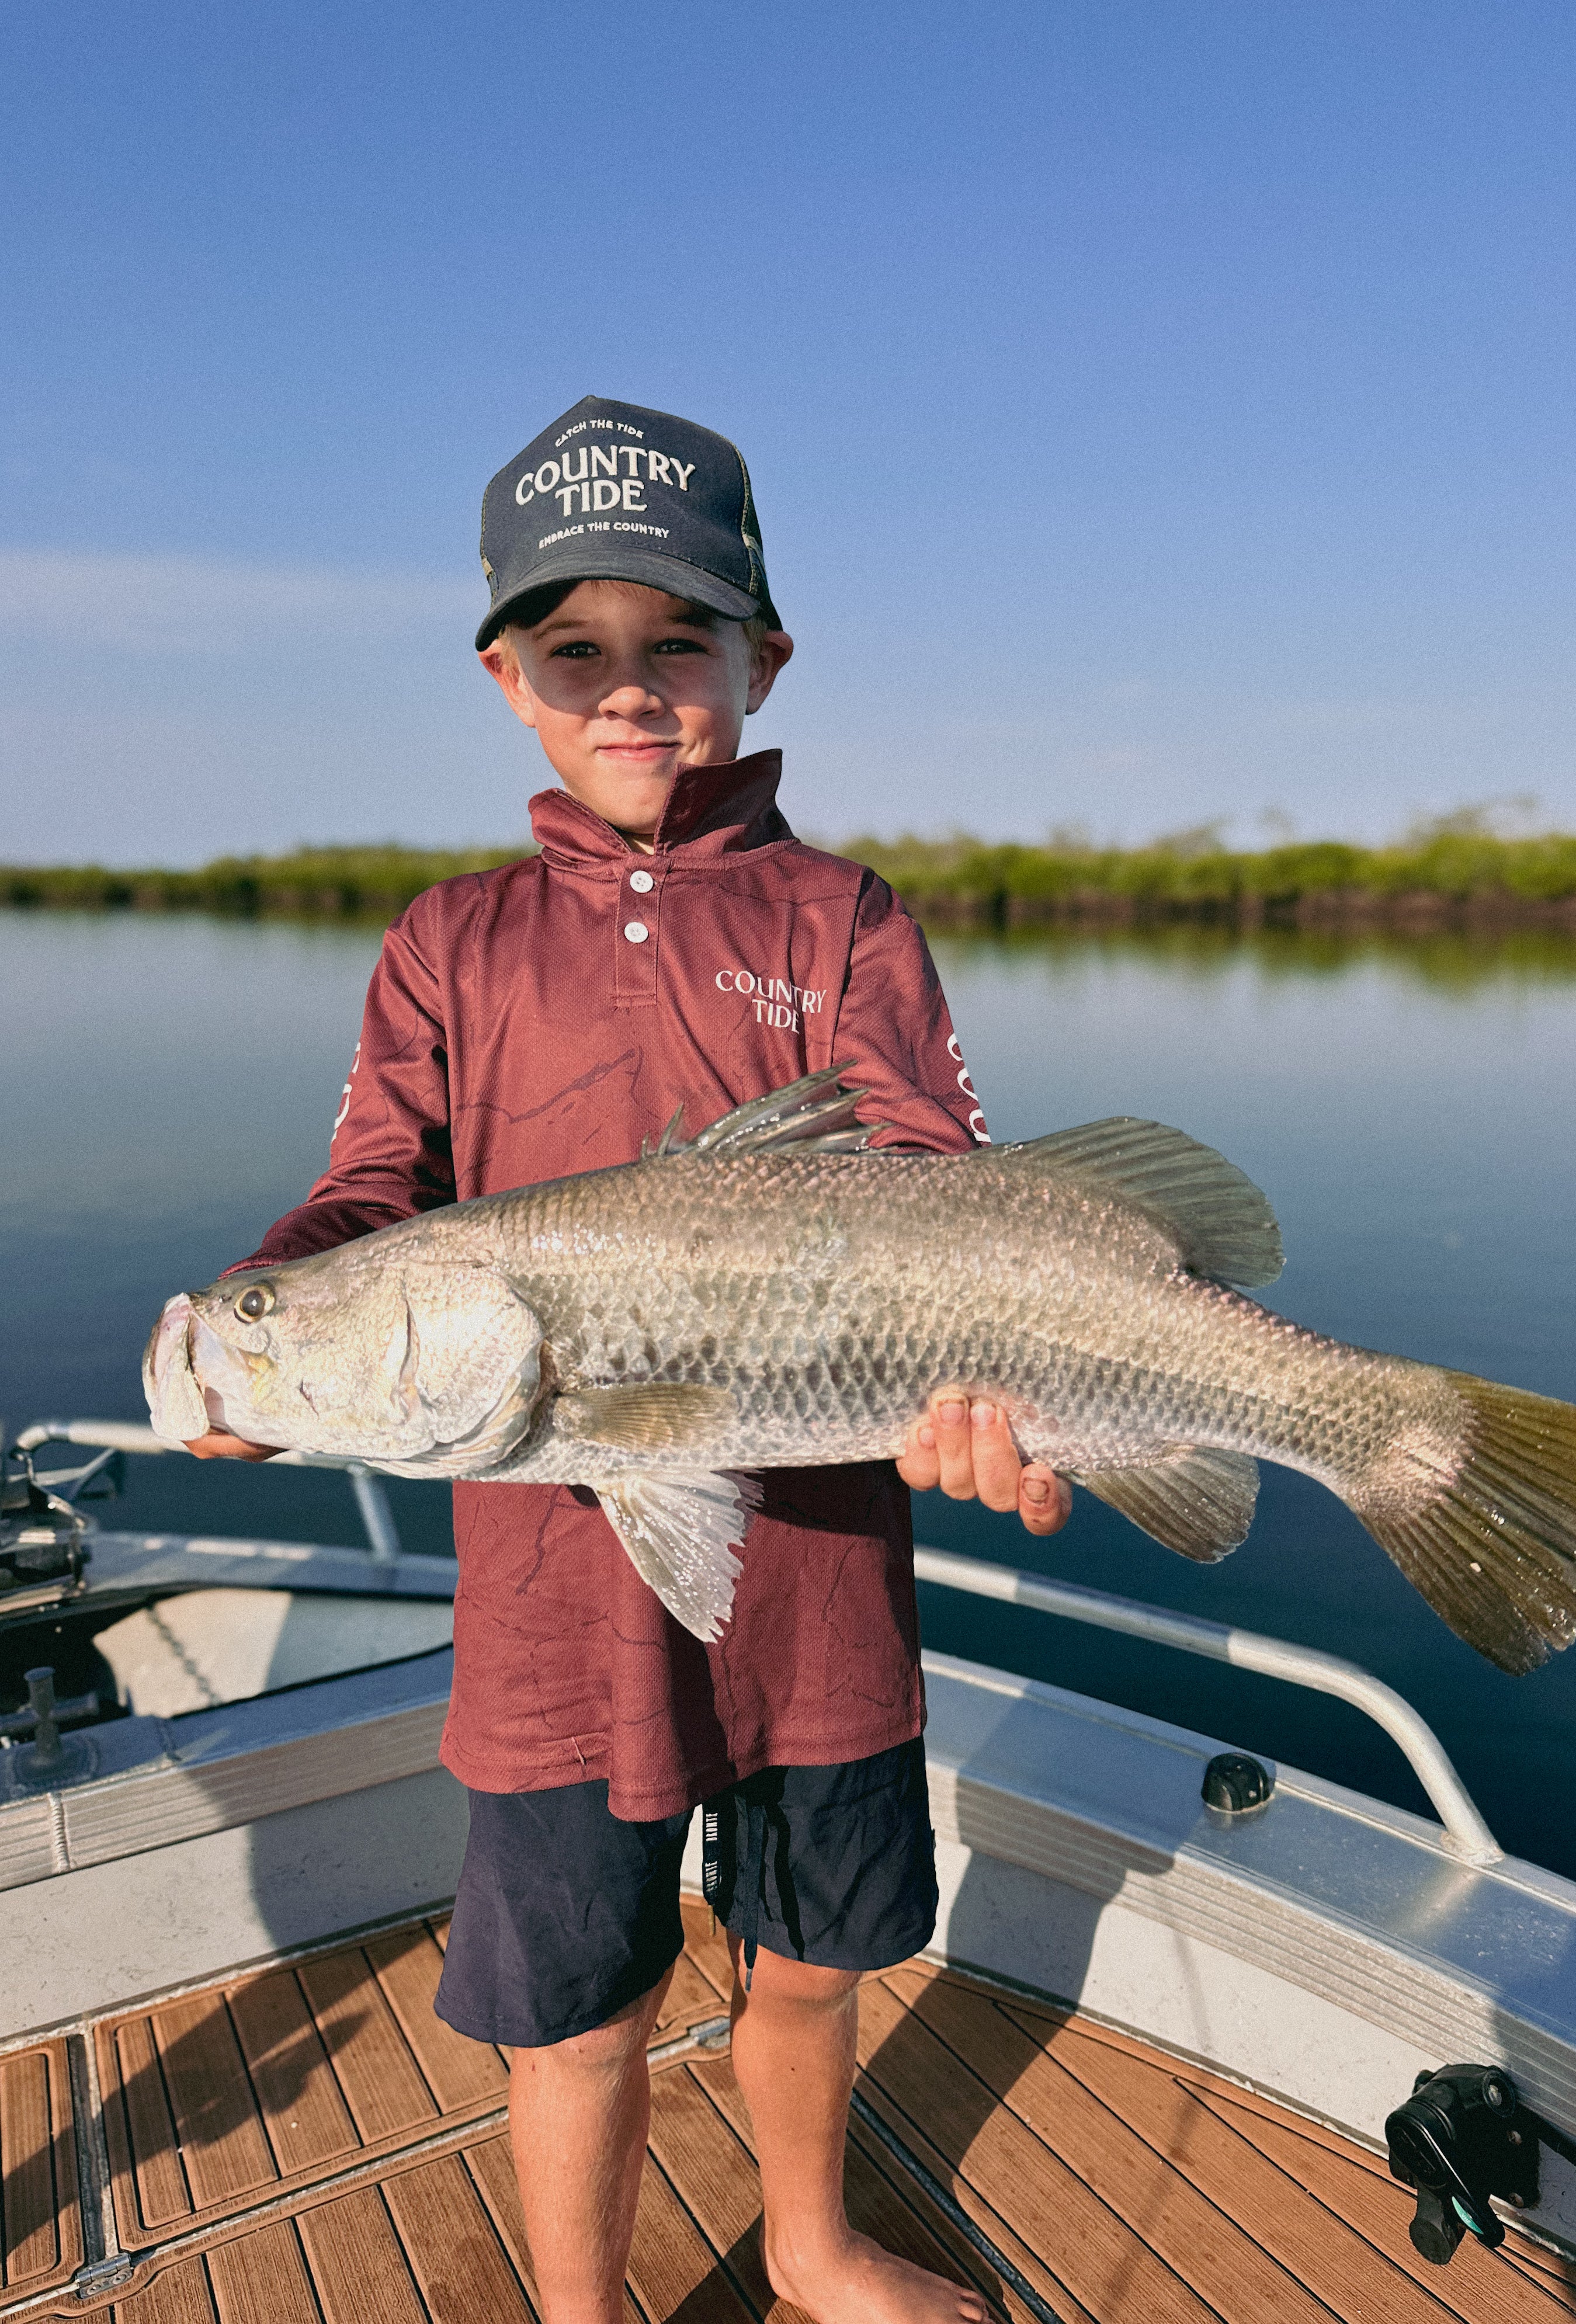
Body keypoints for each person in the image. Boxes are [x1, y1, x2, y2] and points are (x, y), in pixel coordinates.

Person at [185, 395, 1070, 2324]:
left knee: (814, 1955)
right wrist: (268, 1319)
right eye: (576, 649)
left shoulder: (846, 916)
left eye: (680, 639)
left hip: (827, 1585)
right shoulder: (448, 939)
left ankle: (818, 2242)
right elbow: (366, 1196)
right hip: (549, 1604)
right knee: (575, 1999)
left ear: (763, 657)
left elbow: (945, 1185)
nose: (633, 688)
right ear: (508, 680)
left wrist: (1004, 1408)